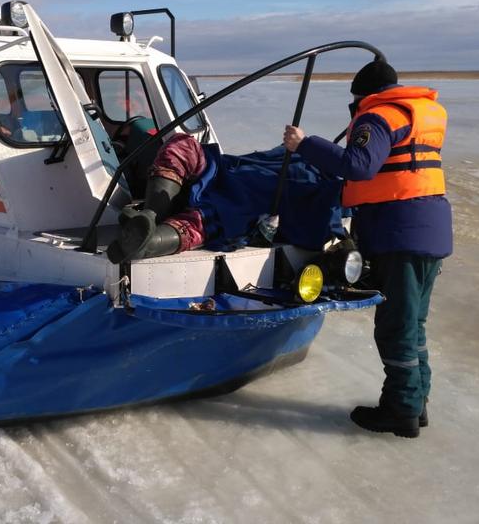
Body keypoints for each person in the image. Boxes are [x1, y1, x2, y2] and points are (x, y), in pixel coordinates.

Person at [282, 60, 452, 438]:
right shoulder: (418, 113)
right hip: (429, 231)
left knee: (396, 328)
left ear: (363, 96)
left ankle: (401, 411)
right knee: (413, 325)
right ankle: (416, 403)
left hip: (400, 235)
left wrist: (304, 144)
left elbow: (359, 165)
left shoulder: (377, 117)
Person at [106, 129, 345, 264]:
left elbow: (312, 230)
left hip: (246, 201)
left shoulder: (328, 196)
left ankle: (146, 242)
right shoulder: (294, 155)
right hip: (223, 171)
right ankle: (150, 217)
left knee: (208, 219)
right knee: (183, 145)